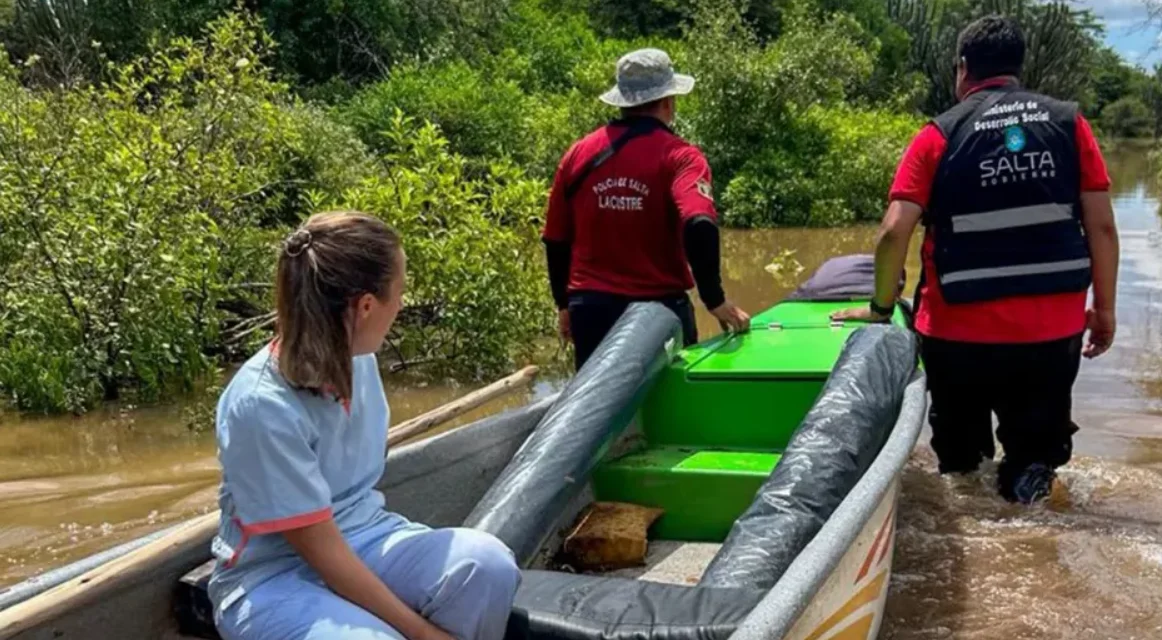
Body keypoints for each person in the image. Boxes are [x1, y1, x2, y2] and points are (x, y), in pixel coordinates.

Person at [833, 16, 1120, 504]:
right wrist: (1106, 311)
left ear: (963, 70)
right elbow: (1103, 228)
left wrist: (881, 308)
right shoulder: (1070, 125)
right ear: (1018, 67)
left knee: (961, 470)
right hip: (1051, 333)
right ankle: (1034, 513)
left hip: (956, 333)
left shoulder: (938, 134)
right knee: (1035, 465)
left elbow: (891, 233)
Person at [209, 212, 521, 640]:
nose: (403, 305)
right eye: (401, 291)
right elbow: (323, 553)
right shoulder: (260, 404)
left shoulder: (360, 360)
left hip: (364, 533)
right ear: (366, 306)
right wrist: (427, 636)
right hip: (271, 577)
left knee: (486, 565)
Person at [542, 48, 750, 371]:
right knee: (670, 417)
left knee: (596, 416)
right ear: (668, 102)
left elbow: (555, 239)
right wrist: (715, 299)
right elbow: (699, 224)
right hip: (659, 314)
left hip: (591, 312)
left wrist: (564, 305)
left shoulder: (578, 154)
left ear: (622, 101)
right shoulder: (681, 157)